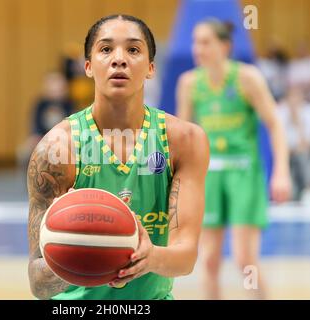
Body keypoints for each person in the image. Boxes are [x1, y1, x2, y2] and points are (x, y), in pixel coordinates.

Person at [27, 14, 209, 300]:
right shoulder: (57, 149)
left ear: (151, 68)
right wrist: (69, 248)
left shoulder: (185, 141)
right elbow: (37, 284)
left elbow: (185, 257)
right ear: (88, 66)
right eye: (106, 49)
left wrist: (150, 258)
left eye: (133, 49)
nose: (119, 59)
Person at [176, 18, 291, 299]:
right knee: (209, 260)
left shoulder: (247, 78)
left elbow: (275, 124)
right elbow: (183, 136)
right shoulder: (190, 82)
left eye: (205, 42)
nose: (197, 48)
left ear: (225, 46)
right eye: (194, 41)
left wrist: (281, 172)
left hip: (244, 173)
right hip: (209, 176)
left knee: (244, 260)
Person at [16, 72, 74, 168]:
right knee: (25, 152)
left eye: (59, 87)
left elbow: (72, 125)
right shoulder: (40, 104)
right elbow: (35, 125)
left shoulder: (69, 104)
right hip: (42, 138)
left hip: (63, 139)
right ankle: (30, 180)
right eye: (53, 87)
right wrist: (37, 137)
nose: (56, 90)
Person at [277, 87, 310, 203]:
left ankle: (309, 190)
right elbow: (278, 141)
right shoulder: (280, 111)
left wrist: (298, 122)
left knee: (305, 156)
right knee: (283, 158)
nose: (294, 101)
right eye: (291, 97)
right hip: (286, 153)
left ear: (302, 98)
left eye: (297, 97)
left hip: (304, 152)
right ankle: (286, 192)